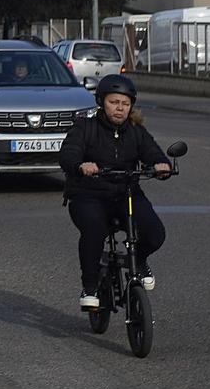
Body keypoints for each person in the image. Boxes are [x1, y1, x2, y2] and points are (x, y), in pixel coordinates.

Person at [57, 73, 172, 310]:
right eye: (113, 102)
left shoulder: (136, 131)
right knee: (94, 232)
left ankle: (139, 261)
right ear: (101, 101)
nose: (119, 108)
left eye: (125, 104)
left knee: (155, 233)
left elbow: (152, 152)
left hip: (126, 193)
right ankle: (90, 287)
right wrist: (81, 166)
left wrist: (161, 165)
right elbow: (68, 153)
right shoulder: (85, 127)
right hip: (88, 195)